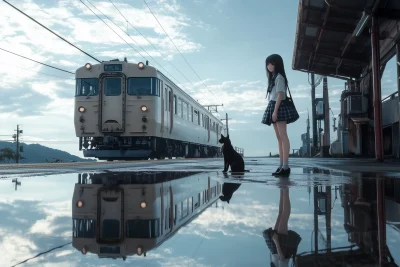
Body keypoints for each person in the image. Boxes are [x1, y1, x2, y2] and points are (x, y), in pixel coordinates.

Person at [261, 54, 299, 176]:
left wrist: (275, 111)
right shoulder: (274, 77)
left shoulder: (279, 78)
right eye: (267, 64)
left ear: (275, 64)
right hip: (274, 105)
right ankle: (281, 165)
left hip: (278, 106)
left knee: (283, 136)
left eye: (269, 64)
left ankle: (285, 166)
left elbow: (280, 95)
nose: (268, 66)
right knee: (279, 138)